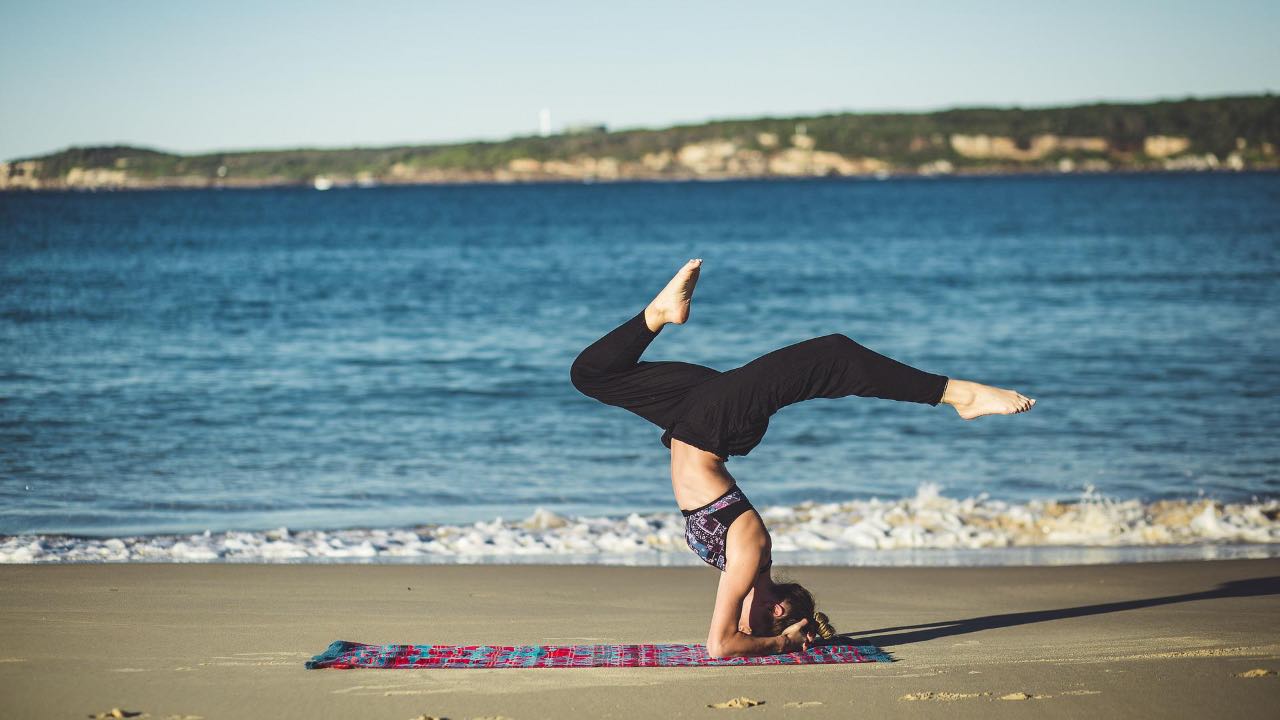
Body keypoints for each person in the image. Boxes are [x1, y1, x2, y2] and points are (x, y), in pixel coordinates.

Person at [570, 259, 1034, 658]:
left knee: (591, 374)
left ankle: (659, 314)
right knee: (833, 353)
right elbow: (722, 644)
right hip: (714, 425)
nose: (740, 623)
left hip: (691, 417)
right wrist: (784, 643)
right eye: (754, 624)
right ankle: (959, 395)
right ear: (777, 608)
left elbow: (723, 641)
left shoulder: (740, 566)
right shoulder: (750, 551)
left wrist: (786, 638)